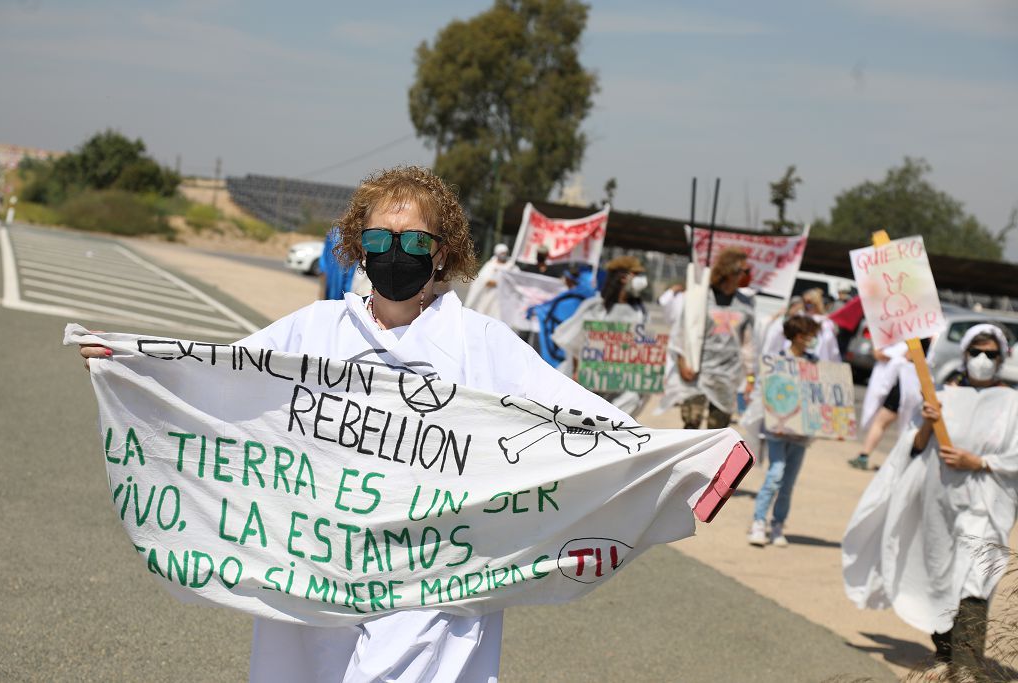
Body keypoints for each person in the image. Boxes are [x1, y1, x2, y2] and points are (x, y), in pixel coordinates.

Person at [80, 166, 637, 683]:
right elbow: (219, 381)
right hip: (315, 564)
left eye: (415, 241)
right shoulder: (314, 331)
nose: (395, 252)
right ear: (357, 246)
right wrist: (133, 365)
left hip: (428, 574)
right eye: (378, 239)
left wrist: (694, 460)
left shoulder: (482, 344)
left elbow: (586, 420)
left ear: (441, 253)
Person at [843, 324, 1018, 679]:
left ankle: (966, 668)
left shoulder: (1012, 403)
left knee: (976, 581)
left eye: (991, 353)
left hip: (987, 505)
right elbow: (917, 446)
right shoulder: (944, 396)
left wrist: (980, 462)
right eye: (976, 352)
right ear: (964, 354)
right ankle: (947, 650)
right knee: (937, 578)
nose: (983, 360)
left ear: (1002, 358)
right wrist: (927, 422)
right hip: (939, 505)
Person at [748, 315, 822, 547]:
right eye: (810, 335)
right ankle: (759, 522)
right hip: (777, 432)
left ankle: (778, 524)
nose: (813, 340)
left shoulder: (815, 364)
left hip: (800, 434)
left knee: (788, 483)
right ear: (799, 336)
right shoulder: (776, 361)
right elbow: (766, 391)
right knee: (775, 475)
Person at [664, 247, 755, 430]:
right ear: (731, 272)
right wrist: (682, 362)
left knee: (717, 429)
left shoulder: (745, 305)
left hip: (728, 375)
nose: (748, 276)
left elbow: (748, 344)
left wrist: (750, 377)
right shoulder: (701, 298)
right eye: (745, 271)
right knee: (691, 422)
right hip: (698, 371)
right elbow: (683, 332)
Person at [551, 255, 650, 414]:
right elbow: (577, 341)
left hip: (621, 379)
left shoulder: (639, 312)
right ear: (623, 278)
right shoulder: (596, 307)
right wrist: (578, 371)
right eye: (636, 275)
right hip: (590, 378)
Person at [848, 340, 927, 470]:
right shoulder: (924, 364)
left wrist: (879, 397)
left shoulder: (899, 362)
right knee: (906, 430)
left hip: (896, 396)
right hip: (914, 400)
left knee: (879, 424)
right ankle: (900, 463)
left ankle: (864, 456)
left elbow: (885, 384)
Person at [527, 264, 596, 367]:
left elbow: (548, 311)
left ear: (568, 279)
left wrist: (536, 310)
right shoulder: (589, 298)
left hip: (564, 349)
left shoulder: (567, 301)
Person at [463, 242, 512, 317]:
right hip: (488, 297)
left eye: (505, 253)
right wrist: (493, 283)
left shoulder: (511, 266)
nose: (504, 255)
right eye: (502, 253)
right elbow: (482, 280)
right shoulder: (490, 265)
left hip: (502, 298)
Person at [801, 288, 841, 361]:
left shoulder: (826, 321)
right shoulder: (800, 316)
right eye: (805, 302)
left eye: (810, 303)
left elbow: (830, 343)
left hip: (818, 356)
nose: (807, 305)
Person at [318, 227, 357, 300]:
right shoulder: (333, 233)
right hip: (331, 277)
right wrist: (323, 271)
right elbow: (324, 255)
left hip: (348, 278)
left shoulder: (356, 235)